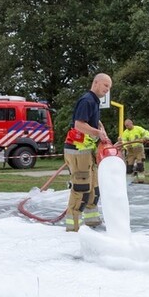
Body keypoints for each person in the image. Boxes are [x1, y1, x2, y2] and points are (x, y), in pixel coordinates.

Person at [63, 73, 111, 232]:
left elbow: (93, 120)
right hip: (78, 151)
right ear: (96, 83)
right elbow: (79, 125)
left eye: (109, 87)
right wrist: (98, 133)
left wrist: (101, 129)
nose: (107, 90)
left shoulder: (94, 102)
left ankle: (92, 221)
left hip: (87, 151)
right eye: (105, 86)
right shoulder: (87, 101)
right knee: (81, 188)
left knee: (94, 189)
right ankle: (74, 226)